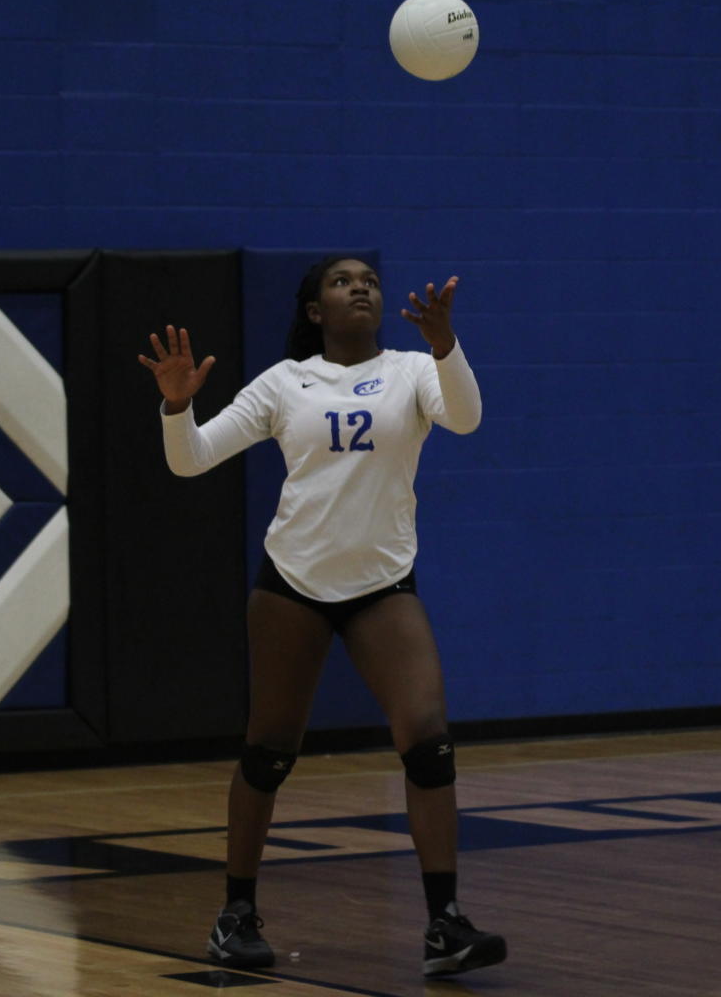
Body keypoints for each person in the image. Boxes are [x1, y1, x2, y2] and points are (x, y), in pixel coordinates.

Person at [136, 256, 506, 978]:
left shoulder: (411, 369)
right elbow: (192, 461)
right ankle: (235, 915)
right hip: (293, 586)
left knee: (429, 741)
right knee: (269, 751)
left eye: (367, 277)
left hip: (381, 586)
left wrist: (445, 345)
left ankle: (444, 925)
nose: (359, 286)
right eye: (340, 281)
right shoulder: (284, 383)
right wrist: (177, 407)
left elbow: (466, 418)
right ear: (314, 311)